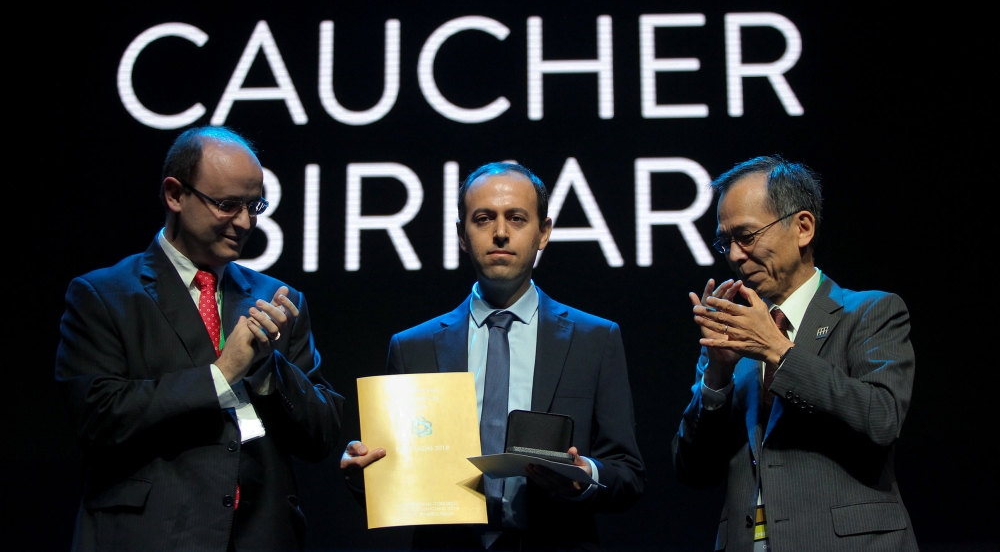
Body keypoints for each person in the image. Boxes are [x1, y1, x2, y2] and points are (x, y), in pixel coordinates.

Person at [55, 126, 344, 552]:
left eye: (254, 205)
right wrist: (222, 373)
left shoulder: (276, 300)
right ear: (175, 194)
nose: (245, 223)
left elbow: (321, 435)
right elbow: (96, 420)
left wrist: (267, 370)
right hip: (150, 536)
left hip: (261, 537)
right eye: (227, 205)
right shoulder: (104, 295)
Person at [342, 162, 645, 550]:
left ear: (544, 232)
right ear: (462, 235)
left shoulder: (595, 339)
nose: (500, 232)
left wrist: (585, 475)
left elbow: (628, 474)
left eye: (516, 218)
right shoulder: (413, 346)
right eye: (484, 218)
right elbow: (399, 478)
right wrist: (363, 478)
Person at [672, 156, 917, 551]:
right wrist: (716, 377)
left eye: (747, 236)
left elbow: (881, 418)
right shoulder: (735, 333)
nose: (734, 255)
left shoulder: (870, 312)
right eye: (725, 242)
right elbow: (693, 470)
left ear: (802, 227)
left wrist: (778, 350)